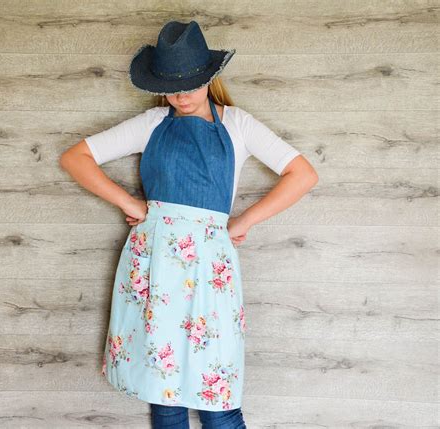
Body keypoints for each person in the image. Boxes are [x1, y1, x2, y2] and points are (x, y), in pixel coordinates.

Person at [60, 19, 318, 429]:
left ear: (209, 76)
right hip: (155, 266)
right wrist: (131, 203)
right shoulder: (151, 125)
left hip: (209, 267)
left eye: (191, 84)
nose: (181, 95)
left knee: (219, 402)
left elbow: (303, 174)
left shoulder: (237, 124)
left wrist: (244, 221)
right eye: (171, 86)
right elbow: (75, 157)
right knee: (164, 397)